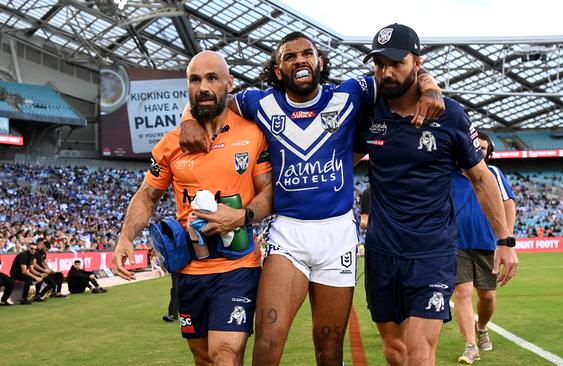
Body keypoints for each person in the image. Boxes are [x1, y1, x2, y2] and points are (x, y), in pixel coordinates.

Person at [179, 31, 445, 366]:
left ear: (319, 61)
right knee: (268, 340)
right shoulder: (257, 102)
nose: (299, 60)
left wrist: (431, 86)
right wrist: (188, 117)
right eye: (289, 57)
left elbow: (400, 72)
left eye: (307, 53)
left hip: (337, 236)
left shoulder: (351, 93)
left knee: (329, 350)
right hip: (288, 233)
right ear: (278, 70)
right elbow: (210, 96)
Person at [355, 24, 519, 366]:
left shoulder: (451, 116)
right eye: (379, 63)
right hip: (382, 250)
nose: (386, 71)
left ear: (417, 62)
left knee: (419, 351)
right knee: (395, 351)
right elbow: (344, 160)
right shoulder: (369, 111)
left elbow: (481, 178)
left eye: (396, 63)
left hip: (432, 251)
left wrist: (505, 240)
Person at [112, 51, 273, 366]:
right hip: (188, 271)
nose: (204, 87)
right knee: (202, 357)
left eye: (212, 78)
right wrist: (125, 237)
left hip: (237, 267)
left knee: (225, 354)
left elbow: (268, 191)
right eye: (195, 79)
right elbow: (147, 195)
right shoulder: (171, 143)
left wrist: (241, 216)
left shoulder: (253, 134)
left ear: (229, 82)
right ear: (187, 87)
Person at [451, 132, 517, 364]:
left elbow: (509, 205)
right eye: (474, 146)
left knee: (487, 296)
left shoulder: (494, 174)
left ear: (489, 153)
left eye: (482, 148)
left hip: (488, 245)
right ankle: (470, 346)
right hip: (456, 244)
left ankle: (482, 328)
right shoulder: (448, 174)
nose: (477, 151)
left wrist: (507, 240)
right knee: (462, 293)